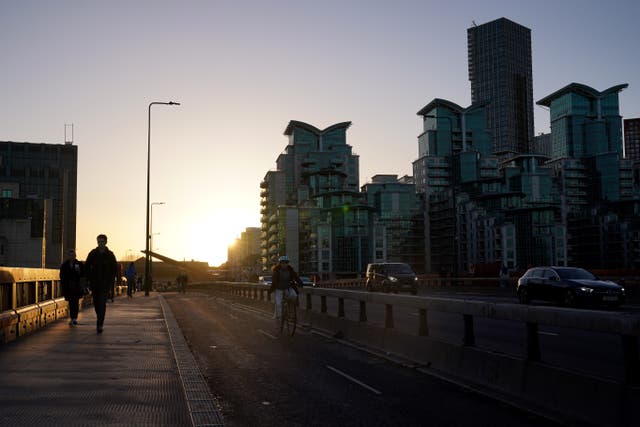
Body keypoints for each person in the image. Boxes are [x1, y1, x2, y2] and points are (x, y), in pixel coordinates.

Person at [85, 234, 118, 334]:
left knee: (102, 303)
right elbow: (86, 266)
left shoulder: (110, 255)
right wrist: (89, 278)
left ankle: (100, 324)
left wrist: (111, 281)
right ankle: (99, 318)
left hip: (105, 284)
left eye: (102, 242)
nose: (100, 244)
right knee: (96, 304)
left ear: (106, 242)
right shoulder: (93, 253)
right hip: (95, 283)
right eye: (99, 242)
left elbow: (114, 269)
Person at [269, 255, 302, 331]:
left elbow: (296, 277)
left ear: (288, 263)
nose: (285, 264)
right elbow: (274, 281)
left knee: (294, 296)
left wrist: (300, 282)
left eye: (286, 262)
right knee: (278, 304)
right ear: (280, 263)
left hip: (288, 287)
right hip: (279, 289)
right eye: (283, 262)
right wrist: (273, 289)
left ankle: (291, 313)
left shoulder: (290, 270)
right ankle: (278, 318)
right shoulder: (276, 271)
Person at [59, 249, 84, 326]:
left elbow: (83, 274)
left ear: (75, 256)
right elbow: (61, 275)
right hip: (68, 286)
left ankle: (74, 318)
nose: (71, 257)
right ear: (68, 256)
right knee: (71, 302)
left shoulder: (79, 264)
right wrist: (64, 284)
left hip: (76, 286)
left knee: (75, 302)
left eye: (73, 255)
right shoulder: (64, 265)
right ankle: (72, 317)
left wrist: (79, 271)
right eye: (70, 255)